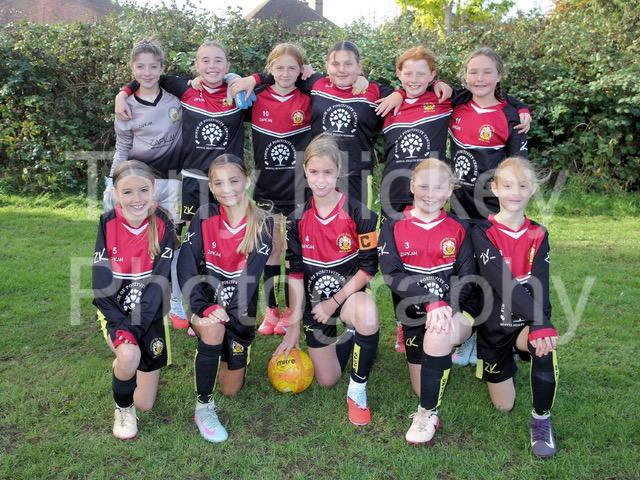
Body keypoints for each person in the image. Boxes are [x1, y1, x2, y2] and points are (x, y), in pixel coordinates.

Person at [232, 40, 452, 209]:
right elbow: (283, 72)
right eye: (335, 64)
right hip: (320, 175)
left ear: (359, 66)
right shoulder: (316, 84)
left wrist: (403, 92)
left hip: (357, 174)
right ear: (326, 66)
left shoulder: (376, 91)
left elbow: (413, 87)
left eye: (348, 64)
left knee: (358, 229)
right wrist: (253, 79)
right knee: (321, 231)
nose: (342, 69)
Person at [273, 134, 380, 426]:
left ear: (339, 172)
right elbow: (295, 274)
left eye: (328, 172)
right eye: (314, 172)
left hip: (346, 298)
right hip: (314, 305)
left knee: (367, 314)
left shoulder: (361, 214)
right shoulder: (295, 219)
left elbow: (368, 269)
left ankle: (357, 391)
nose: (321, 180)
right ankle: (356, 338)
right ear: (305, 171)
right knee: (327, 379)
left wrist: (333, 303)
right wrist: (293, 325)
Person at [378, 158, 478, 444]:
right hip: (414, 316)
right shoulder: (393, 225)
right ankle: (436, 358)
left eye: (438, 187)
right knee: (422, 385)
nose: (430, 194)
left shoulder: (459, 227)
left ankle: (427, 414)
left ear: (449, 191)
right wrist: (430, 301)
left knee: (438, 333)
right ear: (412, 186)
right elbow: (392, 275)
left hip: (453, 312)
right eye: (423, 186)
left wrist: (445, 308)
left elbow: (467, 277)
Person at [177, 154, 273, 443]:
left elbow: (250, 281)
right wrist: (204, 307)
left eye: (234, 180)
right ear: (211, 186)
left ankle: (222, 348)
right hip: (206, 305)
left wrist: (227, 313)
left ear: (247, 180)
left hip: (239, 313)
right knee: (213, 329)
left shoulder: (263, 222)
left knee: (231, 389)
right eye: (218, 183)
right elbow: (186, 266)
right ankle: (204, 408)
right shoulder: (204, 216)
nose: (227, 189)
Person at [471, 156, 559, 458]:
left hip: (524, 324)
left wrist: (540, 324)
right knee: (503, 405)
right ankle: (489, 355)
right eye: (507, 186)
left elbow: (540, 283)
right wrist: (540, 320)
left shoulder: (539, 233)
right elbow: (502, 281)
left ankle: (541, 420)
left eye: (523, 185)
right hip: (493, 327)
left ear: (532, 189)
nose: (515, 192)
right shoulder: (482, 232)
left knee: (544, 346)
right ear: (495, 189)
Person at [115, 40, 245, 224]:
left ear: (227, 65)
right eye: (205, 60)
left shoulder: (240, 94)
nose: (212, 66)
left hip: (228, 178)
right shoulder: (184, 89)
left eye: (218, 60)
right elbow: (149, 77)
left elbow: (274, 81)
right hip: (193, 178)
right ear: (197, 65)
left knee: (232, 231)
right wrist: (122, 94)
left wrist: (234, 78)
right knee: (194, 234)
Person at [106, 39, 187, 329]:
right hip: (139, 187)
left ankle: (176, 304)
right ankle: (133, 300)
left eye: (153, 66)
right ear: (132, 69)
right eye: (140, 67)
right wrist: (112, 183)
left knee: (172, 246)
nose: (147, 72)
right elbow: (123, 147)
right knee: (137, 246)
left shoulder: (177, 100)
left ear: (162, 68)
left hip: (172, 184)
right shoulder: (126, 104)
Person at [93, 160, 176, 440]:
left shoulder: (164, 224)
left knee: (146, 403)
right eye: (127, 192)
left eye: (143, 190)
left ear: (154, 188)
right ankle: (123, 409)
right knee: (129, 354)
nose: (136, 198)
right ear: (115, 193)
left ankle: (124, 366)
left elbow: (159, 284)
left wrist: (135, 327)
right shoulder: (107, 222)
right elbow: (100, 283)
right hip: (115, 310)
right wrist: (122, 328)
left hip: (150, 312)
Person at [248, 43, 312, 337]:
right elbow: (225, 84)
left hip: (299, 189)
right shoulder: (255, 96)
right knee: (271, 249)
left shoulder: (309, 97)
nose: (285, 73)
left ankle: (293, 310)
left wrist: (313, 75)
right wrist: (252, 79)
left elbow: (332, 86)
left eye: (292, 68)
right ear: (270, 68)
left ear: (301, 70)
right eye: (280, 67)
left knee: (295, 250)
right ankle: (272, 310)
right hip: (267, 187)